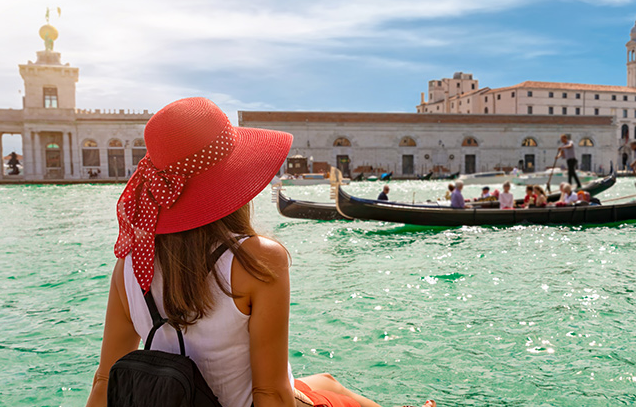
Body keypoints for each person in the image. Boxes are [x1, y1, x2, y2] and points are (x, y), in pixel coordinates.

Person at [84, 98, 433, 407]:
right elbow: (271, 395)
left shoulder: (129, 264)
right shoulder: (257, 259)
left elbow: (104, 380)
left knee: (326, 382)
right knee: (332, 394)